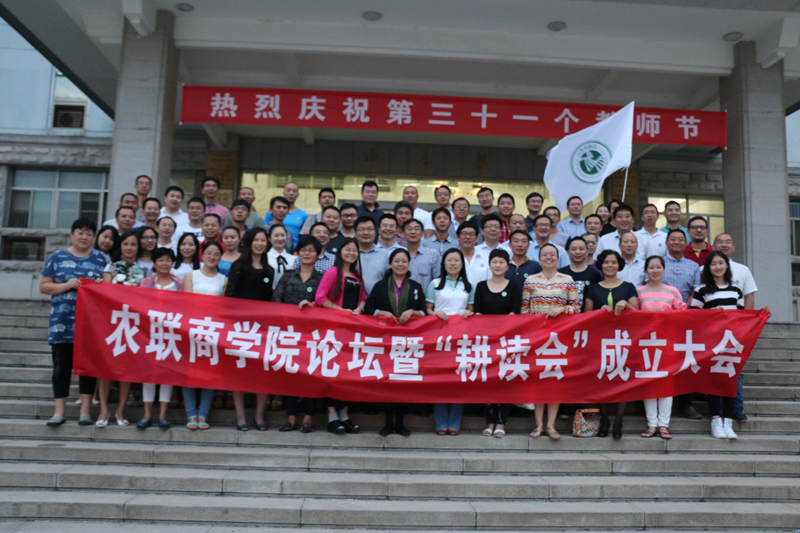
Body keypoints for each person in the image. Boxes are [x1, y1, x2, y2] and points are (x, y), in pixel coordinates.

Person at [39, 218, 108, 427]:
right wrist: (66, 285)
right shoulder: (57, 257)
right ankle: (59, 411)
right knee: (61, 368)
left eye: (89, 233)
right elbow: (44, 286)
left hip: (90, 325)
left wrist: (100, 285)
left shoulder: (102, 259)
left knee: (88, 368)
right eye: (81, 232)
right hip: (61, 324)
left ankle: (85, 411)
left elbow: (109, 287)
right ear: (72, 234)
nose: (84, 237)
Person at [364, 248, 428, 437]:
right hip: (385, 341)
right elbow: (368, 309)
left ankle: (400, 423)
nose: (400, 264)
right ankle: (387, 423)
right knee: (386, 382)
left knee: (403, 382)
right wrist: (381, 313)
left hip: (407, 343)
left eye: (404, 261)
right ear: (391, 264)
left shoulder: (415, 286)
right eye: (397, 261)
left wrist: (412, 312)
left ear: (409, 264)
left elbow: (424, 311)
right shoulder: (380, 286)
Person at [520, 243, 580, 440]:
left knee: (555, 381)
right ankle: (539, 425)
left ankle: (551, 425)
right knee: (538, 381)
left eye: (552, 255)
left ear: (558, 258)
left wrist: (563, 309)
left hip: (559, 339)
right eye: (545, 254)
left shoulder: (567, 280)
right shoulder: (530, 280)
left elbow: (577, 308)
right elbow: (524, 311)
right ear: (539, 258)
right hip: (537, 338)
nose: (548, 257)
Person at [689, 251, 745, 440]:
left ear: (727, 265)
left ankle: (728, 423)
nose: (718, 267)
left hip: (732, 341)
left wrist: (761, 315)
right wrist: (712, 314)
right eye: (713, 264)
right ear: (708, 268)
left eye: (721, 263)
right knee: (713, 382)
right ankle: (715, 421)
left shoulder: (736, 290)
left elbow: (742, 316)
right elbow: (692, 315)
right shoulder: (702, 289)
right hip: (711, 342)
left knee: (729, 381)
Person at [584, 249, 639, 439]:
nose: (610, 265)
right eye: (606, 262)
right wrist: (598, 312)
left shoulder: (629, 287)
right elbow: (586, 314)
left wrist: (626, 305)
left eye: (613, 262)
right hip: (600, 339)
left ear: (619, 265)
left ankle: (618, 421)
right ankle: (605, 420)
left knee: (621, 379)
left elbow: (638, 314)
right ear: (601, 265)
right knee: (602, 380)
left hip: (624, 339)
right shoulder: (593, 288)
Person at [272, 235, 324, 433]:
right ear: (298, 253)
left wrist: (313, 306)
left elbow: (326, 304)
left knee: (311, 375)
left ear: (318, 254)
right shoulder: (288, 275)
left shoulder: (321, 278)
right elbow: (276, 300)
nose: (307, 253)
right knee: (290, 376)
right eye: (303, 250)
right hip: (288, 333)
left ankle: (308, 419)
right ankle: (291, 419)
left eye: (311, 250)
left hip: (313, 335)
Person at [225, 228, 275, 431]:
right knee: (239, 372)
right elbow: (229, 297)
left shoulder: (269, 270)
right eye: (256, 240)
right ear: (249, 242)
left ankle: (259, 416)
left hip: (262, 329)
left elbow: (270, 300)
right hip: (240, 328)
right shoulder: (239, 266)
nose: (260, 244)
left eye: (263, 240)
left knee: (262, 373)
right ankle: (240, 416)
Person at [97, 229, 149, 427]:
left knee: (127, 368)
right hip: (111, 324)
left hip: (133, 326)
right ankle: (103, 409)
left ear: (138, 247)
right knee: (105, 367)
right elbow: (105, 296)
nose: (129, 248)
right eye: (126, 244)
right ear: (120, 246)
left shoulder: (145, 271)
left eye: (133, 244)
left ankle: (121, 409)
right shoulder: (110, 268)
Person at [315, 238, 366, 434]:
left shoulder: (357, 276)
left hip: (351, 331)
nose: (351, 253)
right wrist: (341, 311)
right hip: (333, 330)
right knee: (332, 372)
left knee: (348, 373)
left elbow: (363, 298)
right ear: (340, 251)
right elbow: (320, 298)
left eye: (354, 250)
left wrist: (359, 309)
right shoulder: (332, 272)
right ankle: (332, 416)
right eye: (348, 249)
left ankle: (344, 415)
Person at [636, 255, 686, 440]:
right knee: (649, 382)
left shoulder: (672, 291)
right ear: (646, 270)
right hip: (646, 344)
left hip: (667, 342)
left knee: (666, 384)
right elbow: (633, 316)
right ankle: (651, 424)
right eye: (651, 267)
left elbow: (683, 315)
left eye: (658, 267)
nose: (655, 270)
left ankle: (664, 425)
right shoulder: (638, 291)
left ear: (664, 269)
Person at [426, 249, 474, 435]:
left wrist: (469, 313)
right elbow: (428, 309)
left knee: (458, 380)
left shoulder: (468, 286)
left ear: (462, 264)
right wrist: (434, 313)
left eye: (456, 260)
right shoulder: (435, 283)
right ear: (443, 263)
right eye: (449, 260)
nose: (453, 263)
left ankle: (454, 423)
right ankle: (440, 423)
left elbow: (471, 309)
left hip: (461, 339)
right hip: (439, 338)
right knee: (440, 380)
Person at [474, 249, 521, 438]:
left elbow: (515, 313)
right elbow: (478, 312)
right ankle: (490, 421)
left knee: (505, 381)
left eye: (502, 262)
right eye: (494, 262)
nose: (498, 265)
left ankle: (502, 422)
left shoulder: (514, 286)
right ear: (489, 264)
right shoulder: (481, 286)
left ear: (507, 266)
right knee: (488, 382)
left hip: (506, 341)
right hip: (486, 342)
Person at [713, 232, 758, 421]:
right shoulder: (704, 269)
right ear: (713, 246)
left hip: (735, 328)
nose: (724, 245)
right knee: (714, 368)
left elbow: (749, 295)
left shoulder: (742, 270)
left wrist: (747, 323)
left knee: (735, 367)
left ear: (733, 247)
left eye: (728, 242)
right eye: (720, 242)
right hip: (712, 330)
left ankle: (736, 408)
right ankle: (716, 410)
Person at [182, 242, 227, 430]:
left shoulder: (224, 279)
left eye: (216, 254)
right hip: (192, 329)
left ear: (220, 257)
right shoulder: (191, 276)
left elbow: (224, 307)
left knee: (210, 373)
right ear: (202, 255)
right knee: (189, 373)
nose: (212, 257)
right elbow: (185, 302)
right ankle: (191, 414)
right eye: (208, 253)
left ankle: (203, 414)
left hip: (213, 331)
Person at [137, 247, 182, 430]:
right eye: (161, 260)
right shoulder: (146, 282)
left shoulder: (179, 283)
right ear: (154, 263)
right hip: (149, 333)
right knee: (148, 373)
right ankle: (147, 414)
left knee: (167, 374)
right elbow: (139, 305)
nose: (165, 263)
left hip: (171, 334)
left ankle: (163, 415)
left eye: (168, 260)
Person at [660, 229, 703, 420]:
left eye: (680, 239)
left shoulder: (693, 266)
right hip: (661, 320)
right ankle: (656, 401)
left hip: (685, 319)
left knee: (684, 361)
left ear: (686, 243)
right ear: (666, 243)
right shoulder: (658, 262)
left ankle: (686, 404)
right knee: (661, 360)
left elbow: (696, 290)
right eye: (673, 239)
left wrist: (685, 308)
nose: (676, 242)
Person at [559, 236, 602, 311]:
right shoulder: (561, 273)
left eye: (581, 249)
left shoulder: (594, 274)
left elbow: (597, 298)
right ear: (568, 252)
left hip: (587, 315)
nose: (577, 252)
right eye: (574, 249)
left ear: (587, 252)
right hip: (565, 315)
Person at [263, 182, 307, 247]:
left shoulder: (303, 215)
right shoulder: (265, 227)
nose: (291, 193)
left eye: (294, 191)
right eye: (288, 190)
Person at [353, 216, 388, 295]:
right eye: (362, 229)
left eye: (370, 229)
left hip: (378, 300)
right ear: (355, 233)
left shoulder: (385, 255)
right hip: (353, 300)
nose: (366, 232)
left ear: (376, 231)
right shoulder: (350, 254)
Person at [404, 218, 441, 293]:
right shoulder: (399, 255)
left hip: (426, 298)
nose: (413, 232)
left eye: (416, 229)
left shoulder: (433, 254)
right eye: (409, 229)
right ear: (404, 233)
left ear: (422, 233)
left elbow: (437, 280)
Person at [456, 222, 490, 287]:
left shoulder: (486, 259)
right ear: (458, 237)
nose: (468, 237)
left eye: (471, 234)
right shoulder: (451, 259)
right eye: (464, 233)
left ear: (476, 238)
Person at [267, 224, 296, 288]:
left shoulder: (294, 259)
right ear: (269, 238)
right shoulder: (265, 258)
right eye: (276, 236)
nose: (280, 238)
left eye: (283, 235)